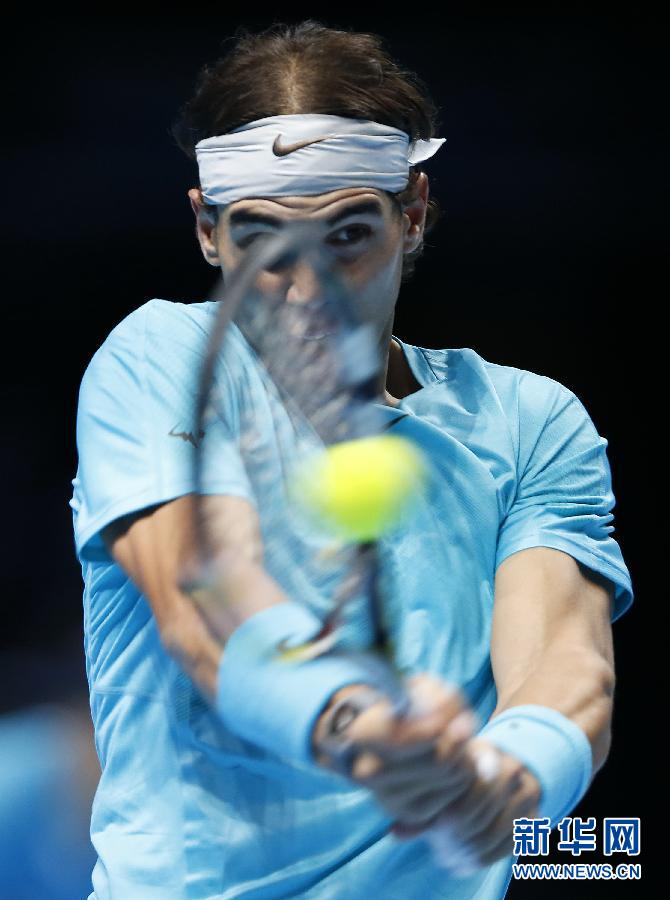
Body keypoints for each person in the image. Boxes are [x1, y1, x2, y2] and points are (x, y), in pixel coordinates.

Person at [70, 21, 634, 899]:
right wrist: (351, 724)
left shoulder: (530, 418)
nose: (306, 290)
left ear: (411, 214)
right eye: (260, 239)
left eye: (346, 235)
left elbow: (568, 664)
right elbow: (204, 602)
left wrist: (510, 777)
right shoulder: (161, 358)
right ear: (207, 231)